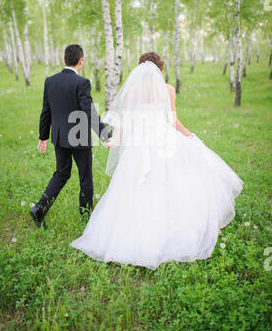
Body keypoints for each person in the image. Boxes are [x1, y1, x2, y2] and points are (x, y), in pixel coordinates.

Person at [71, 51, 243, 269]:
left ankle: (129, 237)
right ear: (159, 69)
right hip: (163, 142)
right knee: (172, 184)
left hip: (138, 146)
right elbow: (173, 121)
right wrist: (189, 135)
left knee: (134, 188)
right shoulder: (168, 90)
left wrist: (114, 139)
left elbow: (126, 122)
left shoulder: (134, 92)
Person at [30, 44, 111, 229]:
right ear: (81, 61)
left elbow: (46, 112)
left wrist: (43, 137)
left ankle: (39, 208)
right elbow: (89, 111)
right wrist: (105, 136)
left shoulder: (50, 81)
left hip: (59, 136)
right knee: (85, 177)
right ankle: (85, 218)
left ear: (63, 60)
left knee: (61, 174)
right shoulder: (82, 82)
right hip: (80, 136)